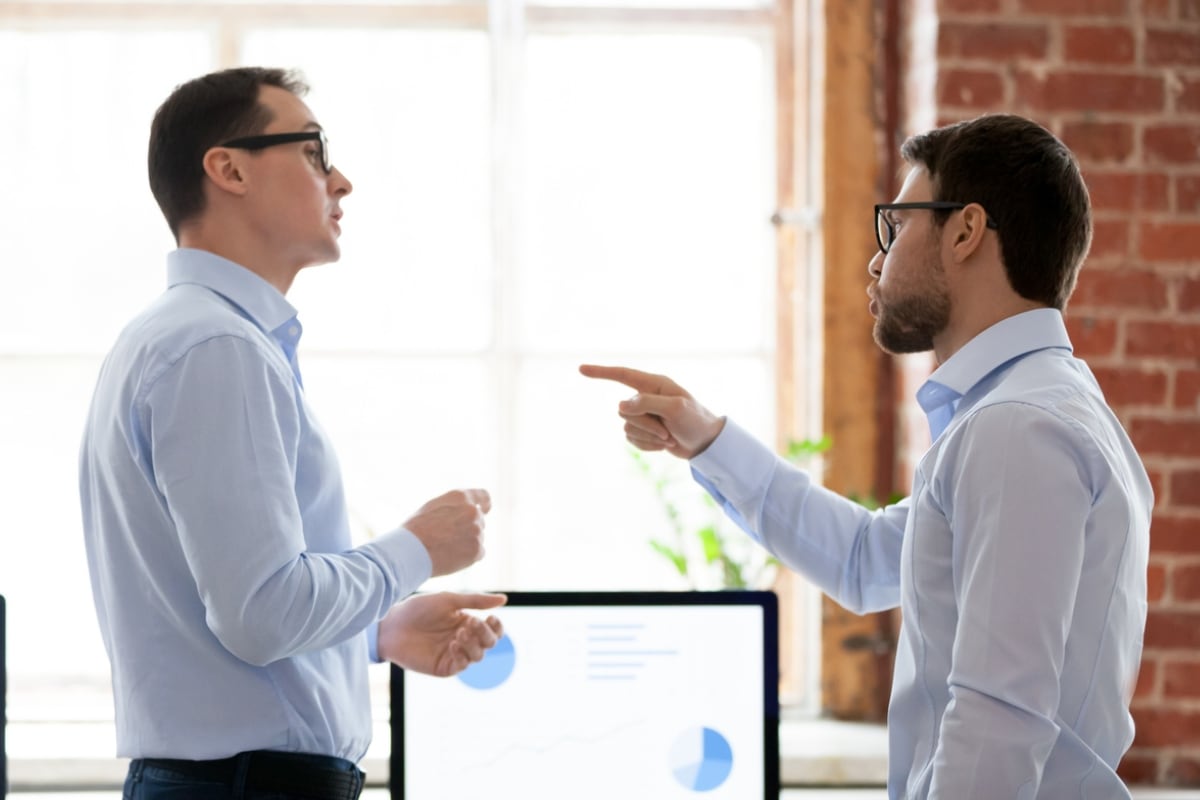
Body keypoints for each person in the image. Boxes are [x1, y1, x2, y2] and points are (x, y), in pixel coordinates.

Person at [582, 113, 1152, 799]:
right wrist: (706, 437)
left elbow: (997, 722)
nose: (876, 259)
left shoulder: (1015, 430)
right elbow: (865, 560)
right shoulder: (1032, 410)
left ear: (966, 231)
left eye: (896, 223)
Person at [79, 67, 505, 799]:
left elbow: (232, 611)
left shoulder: (190, 338)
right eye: (313, 151)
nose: (341, 180)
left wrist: (376, 632)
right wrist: (417, 550)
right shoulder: (217, 347)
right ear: (229, 168)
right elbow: (261, 614)